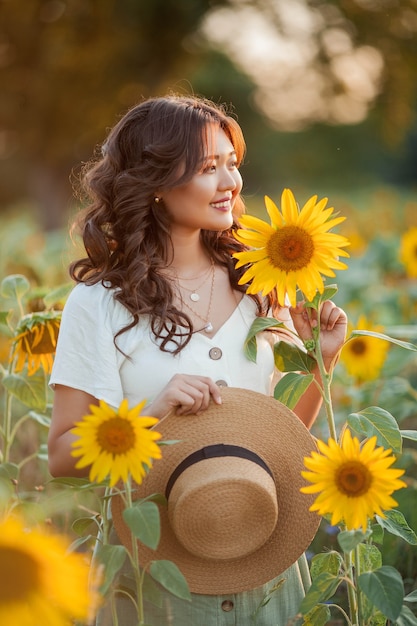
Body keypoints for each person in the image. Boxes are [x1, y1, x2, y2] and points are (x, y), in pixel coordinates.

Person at [48, 94, 347, 626]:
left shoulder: (261, 286)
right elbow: (63, 458)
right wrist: (148, 419)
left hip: (264, 561)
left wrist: (320, 365)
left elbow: (278, 440)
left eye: (233, 164)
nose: (231, 182)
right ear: (156, 183)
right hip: (155, 579)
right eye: (209, 168)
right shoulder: (98, 304)